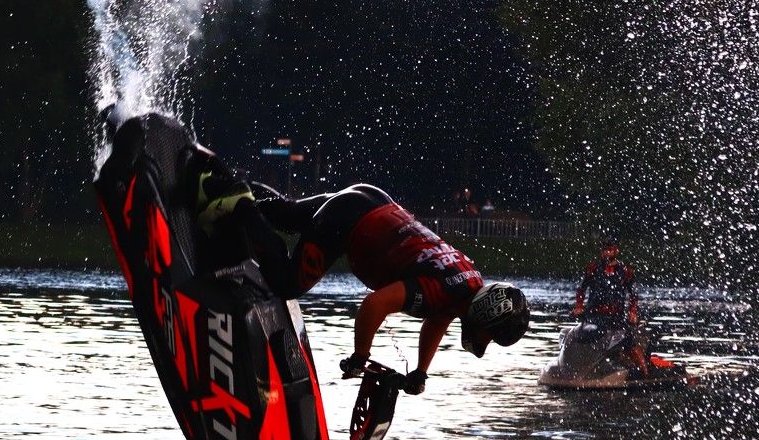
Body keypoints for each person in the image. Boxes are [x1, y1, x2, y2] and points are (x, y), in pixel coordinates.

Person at [196, 169, 531, 395]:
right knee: (287, 285)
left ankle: (227, 181)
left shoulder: (469, 284)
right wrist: (360, 356)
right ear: (485, 316)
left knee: (286, 214)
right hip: (346, 224)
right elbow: (374, 305)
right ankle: (242, 206)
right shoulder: (442, 291)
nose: (485, 343)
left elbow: (439, 318)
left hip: (370, 200)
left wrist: (420, 371)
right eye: (491, 335)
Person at [573, 236, 647, 375]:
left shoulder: (625, 271)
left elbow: (633, 295)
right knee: (584, 335)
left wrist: (632, 312)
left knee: (627, 339)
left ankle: (644, 370)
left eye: (610, 250)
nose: (607, 253)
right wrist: (579, 306)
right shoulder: (593, 268)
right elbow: (581, 289)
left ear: (616, 251)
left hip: (616, 315)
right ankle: (581, 368)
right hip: (594, 314)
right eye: (604, 250)